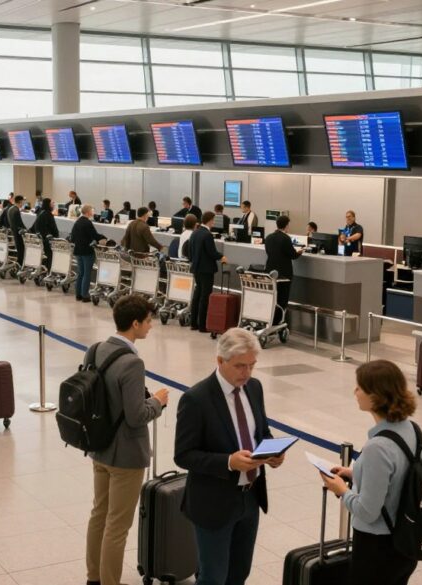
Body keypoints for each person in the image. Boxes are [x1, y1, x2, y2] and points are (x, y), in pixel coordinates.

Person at [174, 328, 282, 585]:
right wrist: (228, 462)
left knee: (239, 573)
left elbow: (261, 431)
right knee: (213, 577)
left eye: (252, 366)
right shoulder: (196, 399)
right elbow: (184, 455)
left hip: (250, 498)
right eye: (240, 366)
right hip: (214, 503)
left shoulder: (253, 388)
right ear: (220, 361)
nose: (246, 373)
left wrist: (272, 452)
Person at [85, 295, 169, 585]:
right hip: (126, 456)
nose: (151, 326)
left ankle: (93, 577)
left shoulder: (96, 349)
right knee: (117, 526)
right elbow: (136, 416)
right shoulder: (133, 363)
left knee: (99, 514)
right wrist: (157, 401)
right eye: (148, 321)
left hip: (100, 447)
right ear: (135, 323)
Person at [319, 360, 419, 585]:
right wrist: (354, 475)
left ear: (376, 396)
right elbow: (398, 478)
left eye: (359, 387)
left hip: (377, 548)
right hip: (404, 541)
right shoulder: (410, 429)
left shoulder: (378, 446)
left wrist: (342, 490)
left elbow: (367, 511)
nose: (355, 392)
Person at [188, 211, 226, 332]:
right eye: (213, 220)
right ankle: (203, 325)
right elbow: (212, 252)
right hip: (206, 269)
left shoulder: (195, 233)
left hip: (196, 268)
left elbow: (190, 251)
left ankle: (194, 323)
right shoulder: (207, 235)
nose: (214, 222)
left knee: (197, 295)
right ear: (209, 220)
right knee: (205, 297)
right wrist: (222, 257)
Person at [264, 215, 303, 325]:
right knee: (282, 298)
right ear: (286, 225)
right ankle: (279, 322)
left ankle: (270, 321)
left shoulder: (269, 237)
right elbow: (292, 255)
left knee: (273, 298)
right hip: (284, 274)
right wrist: (299, 252)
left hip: (270, 271)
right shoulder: (285, 238)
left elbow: (269, 252)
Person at [72, 204, 107, 302]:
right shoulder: (87, 223)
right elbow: (95, 235)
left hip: (78, 250)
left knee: (80, 273)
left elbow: (73, 237)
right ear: (88, 212)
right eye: (92, 210)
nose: (93, 212)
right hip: (87, 251)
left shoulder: (77, 222)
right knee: (87, 273)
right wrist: (104, 238)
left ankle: (78, 294)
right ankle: (85, 295)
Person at [33, 197, 59, 267]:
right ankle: (49, 268)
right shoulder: (48, 214)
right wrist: (57, 238)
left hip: (41, 239)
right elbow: (54, 229)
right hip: (48, 241)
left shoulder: (40, 212)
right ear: (48, 204)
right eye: (52, 203)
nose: (53, 205)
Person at [7, 195, 25, 262]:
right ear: (20, 202)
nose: (23, 203)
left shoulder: (10, 209)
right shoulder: (16, 210)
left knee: (18, 248)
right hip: (18, 232)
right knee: (21, 249)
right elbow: (19, 223)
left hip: (14, 231)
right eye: (22, 202)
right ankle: (20, 263)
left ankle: (19, 262)